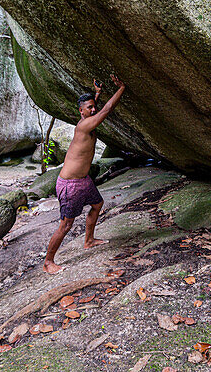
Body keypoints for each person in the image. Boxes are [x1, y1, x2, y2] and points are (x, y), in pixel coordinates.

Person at [43, 73, 125, 274]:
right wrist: (122, 88)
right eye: (88, 107)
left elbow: (96, 109)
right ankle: (48, 262)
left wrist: (97, 94)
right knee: (66, 225)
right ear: (81, 111)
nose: (93, 109)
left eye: (92, 106)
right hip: (70, 184)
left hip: (83, 180)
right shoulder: (84, 125)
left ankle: (88, 240)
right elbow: (106, 110)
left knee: (97, 205)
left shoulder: (86, 118)